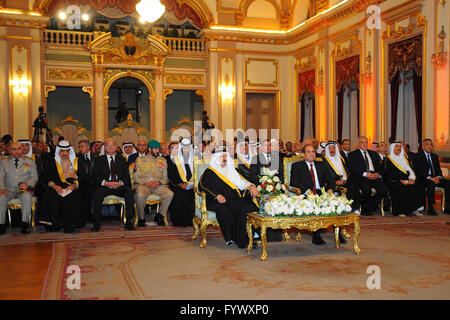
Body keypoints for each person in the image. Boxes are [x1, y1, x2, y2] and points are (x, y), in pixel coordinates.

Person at [198, 150, 259, 248]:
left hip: (234, 199)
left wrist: (252, 187)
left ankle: (253, 234)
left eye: (225, 157)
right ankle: (243, 239)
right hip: (217, 201)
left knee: (250, 205)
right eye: (221, 157)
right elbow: (202, 186)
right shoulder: (209, 172)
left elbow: (243, 182)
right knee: (239, 208)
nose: (224, 159)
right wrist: (216, 195)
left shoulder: (233, 170)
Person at [290, 144, 336, 245]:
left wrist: (330, 189)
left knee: (336, 203)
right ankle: (316, 235)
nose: (311, 154)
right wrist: (307, 191)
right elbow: (294, 182)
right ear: (303, 154)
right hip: (306, 193)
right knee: (314, 203)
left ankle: (338, 233)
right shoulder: (297, 166)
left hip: (321, 192)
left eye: (313, 152)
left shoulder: (322, 165)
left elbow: (331, 180)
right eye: (308, 152)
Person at [91, 138, 135, 232]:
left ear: (116, 147)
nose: (110, 147)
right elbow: (94, 176)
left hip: (118, 186)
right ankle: (97, 223)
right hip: (105, 186)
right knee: (97, 193)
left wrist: (120, 183)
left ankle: (128, 222)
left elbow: (126, 176)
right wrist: (106, 183)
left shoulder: (122, 159)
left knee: (129, 192)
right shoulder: (98, 159)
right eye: (108, 145)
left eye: (113, 145)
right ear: (105, 147)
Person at [39, 141, 83, 233]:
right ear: (58, 151)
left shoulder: (76, 161)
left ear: (69, 151)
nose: (64, 153)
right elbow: (46, 178)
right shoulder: (51, 162)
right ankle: (54, 224)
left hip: (72, 186)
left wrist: (73, 186)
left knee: (75, 197)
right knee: (49, 195)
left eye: (67, 151)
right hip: (55, 185)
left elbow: (82, 177)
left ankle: (69, 225)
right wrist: (55, 187)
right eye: (62, 151)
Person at [133, 140, 173, 227]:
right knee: (140, 196)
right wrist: (146, 182)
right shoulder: (140, 160)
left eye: (158, 149)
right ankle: (141, 218)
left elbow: (165, 178)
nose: (157, 151)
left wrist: (158, 182)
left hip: (157, 185)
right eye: (155, 149)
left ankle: (160, 215)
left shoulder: (163, 160)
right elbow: (136, 177)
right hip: (143, 185)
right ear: (149, 149)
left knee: (170, 194)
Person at [0, 142, 38, 234]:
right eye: (14, 149)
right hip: (8, 189)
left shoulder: (30, 162)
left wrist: (26, 184)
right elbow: (1, 176)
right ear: (9, 150)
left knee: (27, 197)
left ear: (22, 149)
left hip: (23, 190)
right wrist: (1, 189)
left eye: (19, 149)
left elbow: (34, 177)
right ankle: (1, 225)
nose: (16, 151)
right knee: (1, 197)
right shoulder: (3, 162)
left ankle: (24, 224)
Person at [347, 136, 388, 216]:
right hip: (361, 177)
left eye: (366, 142)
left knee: (384, 189)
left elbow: (380, 168)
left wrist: (377, 174)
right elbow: (352, 169)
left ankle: (371, 206)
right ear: (358, 144)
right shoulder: (352, 154)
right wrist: (366, 174)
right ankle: (367, 208)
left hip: (374, 176)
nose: (364, 144)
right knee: (367, 188)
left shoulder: (373, 153)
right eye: (362, 142)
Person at [385, 142, 424, 217]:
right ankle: (400, 211)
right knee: (400, 187)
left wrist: (412, 179)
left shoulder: (404, 158)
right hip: (394, 181)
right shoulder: (388, 159)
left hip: (406, 180)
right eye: (396, 146)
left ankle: (414, 210)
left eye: (400, 146)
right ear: (392, 148)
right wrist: (400, 180)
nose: (399, 148)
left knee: (418, 185)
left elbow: (410, 170)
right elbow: (388, 174)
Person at [413, 139, 450, 215]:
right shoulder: (417, 156)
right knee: (431, 183)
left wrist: (439, 177)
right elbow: (418, 171)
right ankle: (430, 207)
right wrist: (430, 178)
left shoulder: (435, 156)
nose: (429, 146)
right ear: (423, 147)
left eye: (431, 144)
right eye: (427, 144)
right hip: (424, 179)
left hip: (435, 178)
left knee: (448, 182)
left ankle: (447, 208)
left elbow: (439, 170)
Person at [323, 141, 361, 213]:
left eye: (333, 148)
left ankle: (354, 209)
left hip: (344, 180)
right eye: (330, 148)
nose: (332, 150)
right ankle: (348, 209)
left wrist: (345, 179)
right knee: (349, 190)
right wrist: (335, 182)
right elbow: (324, 176)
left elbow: (347, 171)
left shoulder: (341, 159)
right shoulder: (323, 161)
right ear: (327, 150)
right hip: (332, 182)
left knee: (355, 188)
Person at [167, 138, 194, 227]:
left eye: (188, 148)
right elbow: (171, 176)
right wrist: (180, 184)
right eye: (184, 148)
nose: (186, 150)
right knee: (180, 194)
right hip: (178, 185)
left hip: (192, 185)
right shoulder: (174, 160)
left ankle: (193, 220)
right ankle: (180, 221)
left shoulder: (194, 159)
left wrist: (192, 184)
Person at [77, 140, 96, 226]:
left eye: (82, 146)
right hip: (82, 182)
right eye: (79, 147)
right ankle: (84, 217)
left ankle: (93, 216)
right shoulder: (77, 157)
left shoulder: (96, 156)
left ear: (88, 147)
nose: (80, 148)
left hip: (95, 182)